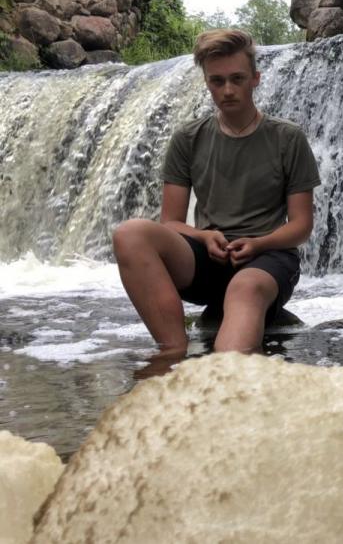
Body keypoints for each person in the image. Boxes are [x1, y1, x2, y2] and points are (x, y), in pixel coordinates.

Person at [112, 29, 320, 366]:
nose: (227, 90)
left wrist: (258, 244)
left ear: (255, 78)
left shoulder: (287, 138)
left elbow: (301, 226)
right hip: (208, 257)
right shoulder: (188, 138)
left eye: (237, 79)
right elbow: (171, 222)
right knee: (129, 234)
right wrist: (203, 235)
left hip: (268, 259)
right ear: (207, 82)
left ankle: (225, 379)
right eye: (217, 80)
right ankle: (172, 358)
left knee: (244, 289)